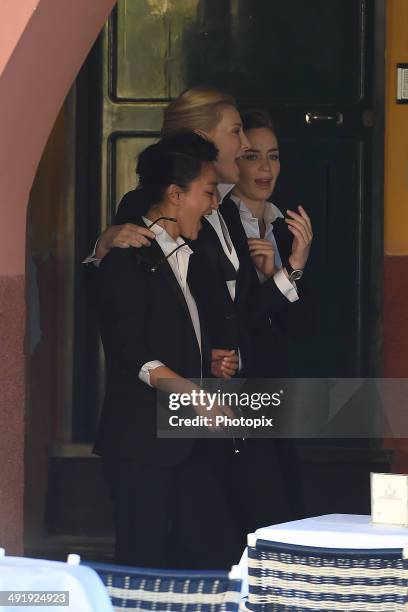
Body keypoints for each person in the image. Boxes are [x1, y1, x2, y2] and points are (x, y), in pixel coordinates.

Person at [94, 132, 241, 569]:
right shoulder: (125, 260)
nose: (215, 205)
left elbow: (173, 336)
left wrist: (205, 362)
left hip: (182, 442)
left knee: (217, 552)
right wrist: (197, 396)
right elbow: (132, 353)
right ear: (175, 195)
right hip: (139, 444)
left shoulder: (188, 257)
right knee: (141, 564)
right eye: (209, 193)